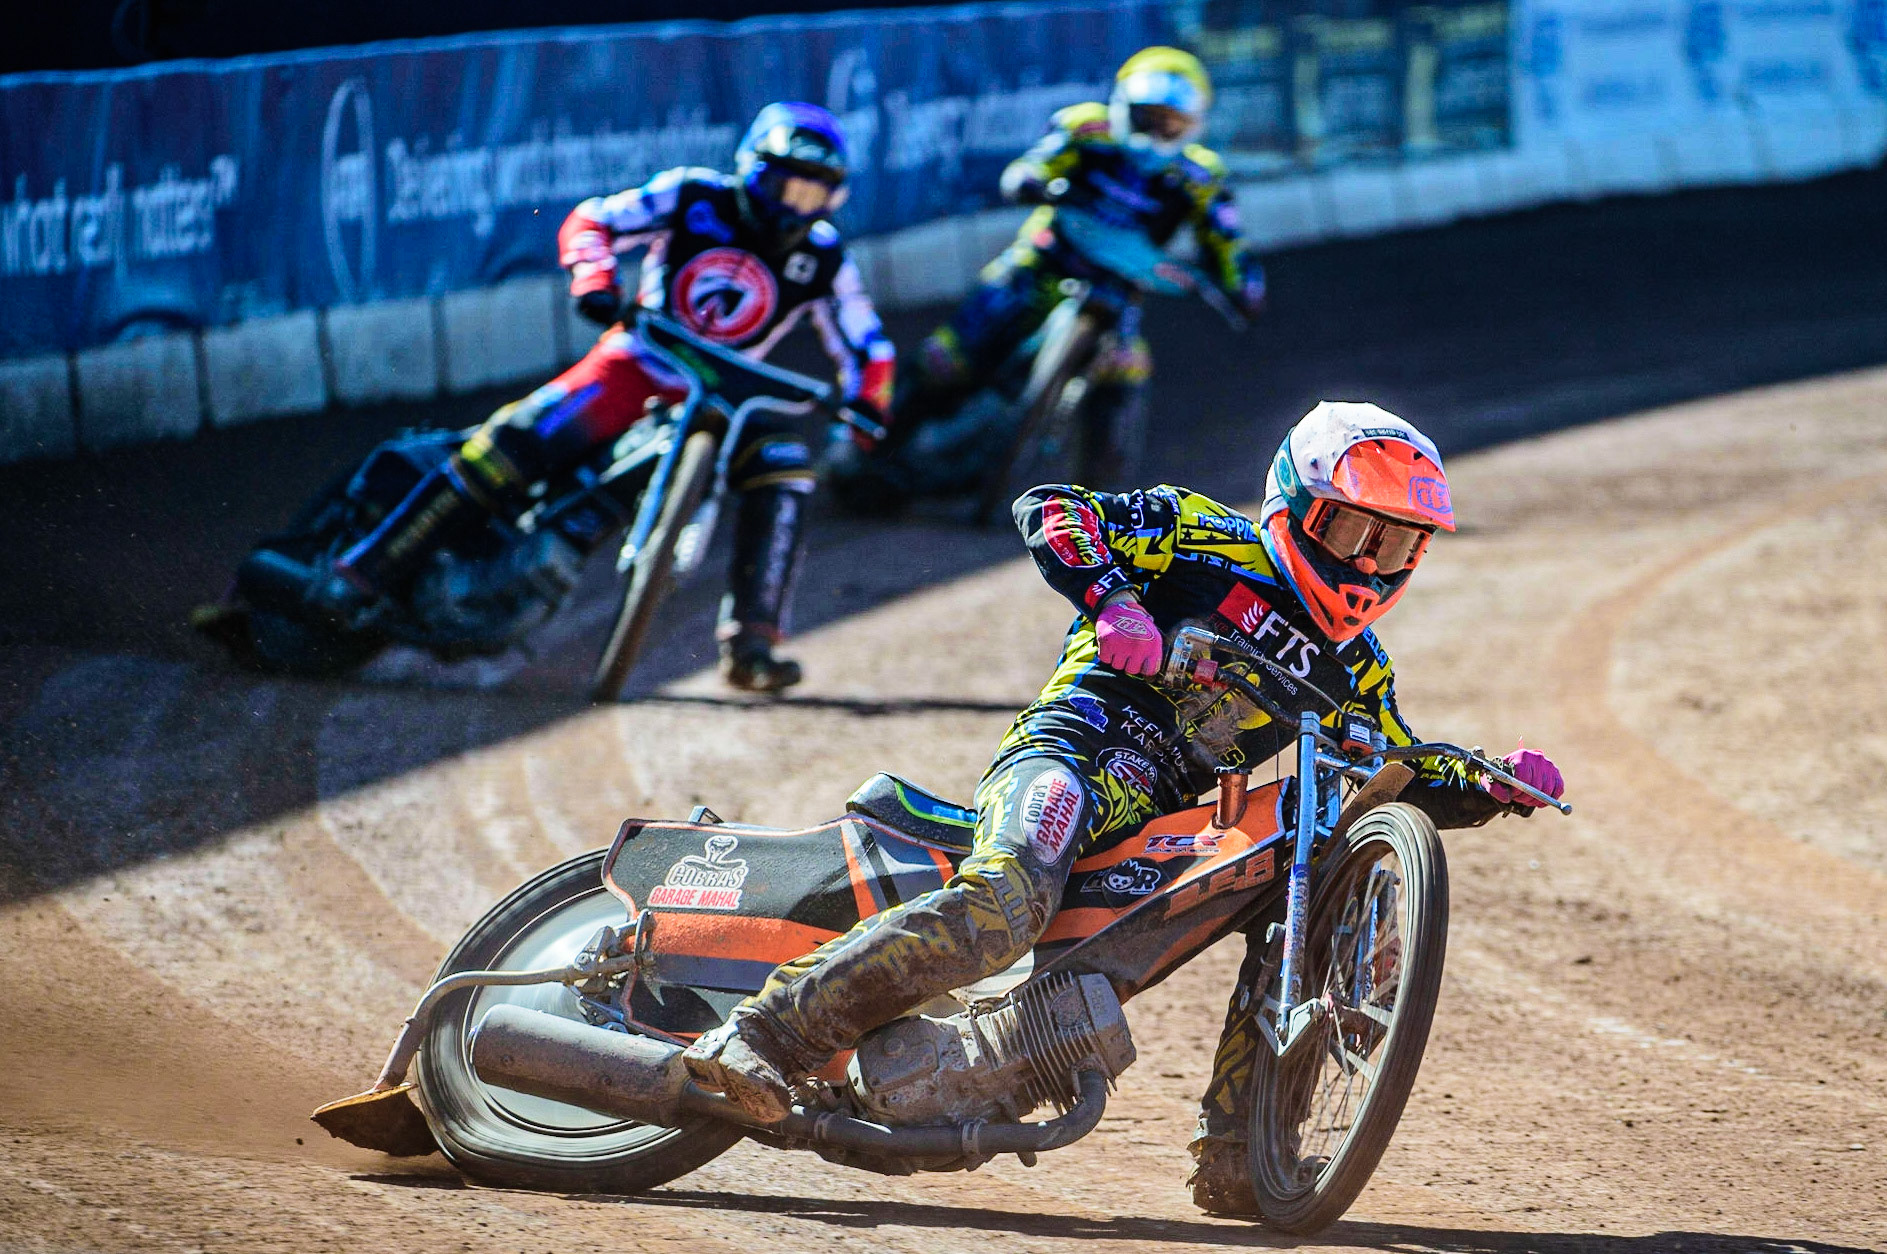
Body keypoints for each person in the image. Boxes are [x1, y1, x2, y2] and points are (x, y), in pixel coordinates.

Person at [683, 402, 1566, 1194]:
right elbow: (1052, 507)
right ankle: (764, 1035)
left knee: (1293, 885)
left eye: (1397, 545)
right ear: (1294, 504)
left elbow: (1396, 761)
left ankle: (1241, 1152)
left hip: (1159, 826)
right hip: (1067, 753)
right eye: (1351, 530)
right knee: (1004, 901)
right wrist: (1113, 603)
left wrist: (1490, 780)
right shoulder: (1199, 534)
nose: (1369, 563)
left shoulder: (1359, 669)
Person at [325, 102, 895, 693]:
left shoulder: (826, 258)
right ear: (751, 169)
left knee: (786, 466)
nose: (792, 207)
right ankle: (367, 567)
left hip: (726, 400)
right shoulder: (692, 194)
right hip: (637, 362)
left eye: (810, 195)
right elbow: (592, 220)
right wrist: (595, 279)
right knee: (513, 442)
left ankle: (753, 646)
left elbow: (869, 344)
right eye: (783, 187)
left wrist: (869, 407)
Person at [832, 46, 1267, 510]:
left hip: (1118, 291)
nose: (1158, 131)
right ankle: (860, 453)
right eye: (1148, 116)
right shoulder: (1086, 128)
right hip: (1039, 265)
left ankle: (1102, 509)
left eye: (1172, 123)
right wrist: (1031, 180)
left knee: (1127, 364)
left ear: (1193, 126)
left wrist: (1241, 286)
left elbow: (1227, 242)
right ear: (1123, 105)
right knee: (947, 358)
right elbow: (1033, 165)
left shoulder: (1201, 176)